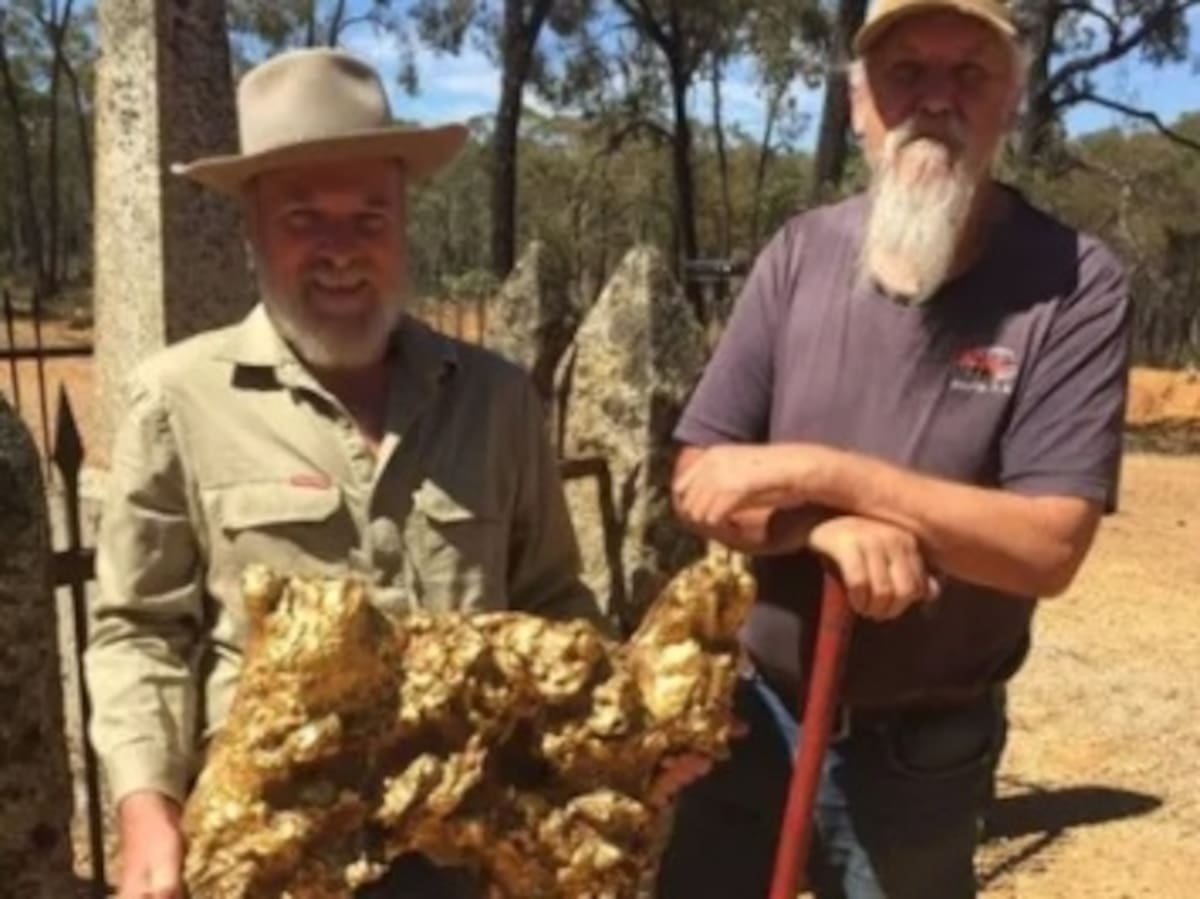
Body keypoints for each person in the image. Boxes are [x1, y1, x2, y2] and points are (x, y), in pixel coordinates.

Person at [86, 48, 615, 899]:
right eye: (305, 218)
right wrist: (147, 809)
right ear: (253, 225)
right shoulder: (177, 401)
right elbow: (140, 631)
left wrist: (613, 729)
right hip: (269, 850)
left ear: (404, 222)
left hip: (468, 851)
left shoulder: (498, 400)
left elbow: (555, 602)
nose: (341, 249)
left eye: (370, 217)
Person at [659, 0, 1132, 896]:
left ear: (1010, 100)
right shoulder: (799, 254)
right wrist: (820, 528)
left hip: (919, 760)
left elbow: (1046, 546)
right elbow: (700, 479)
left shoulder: (1074, 285)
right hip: (741, 724)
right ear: (860, 104)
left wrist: (822, 473)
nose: (935, 99)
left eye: (969, 73)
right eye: (906, 72)